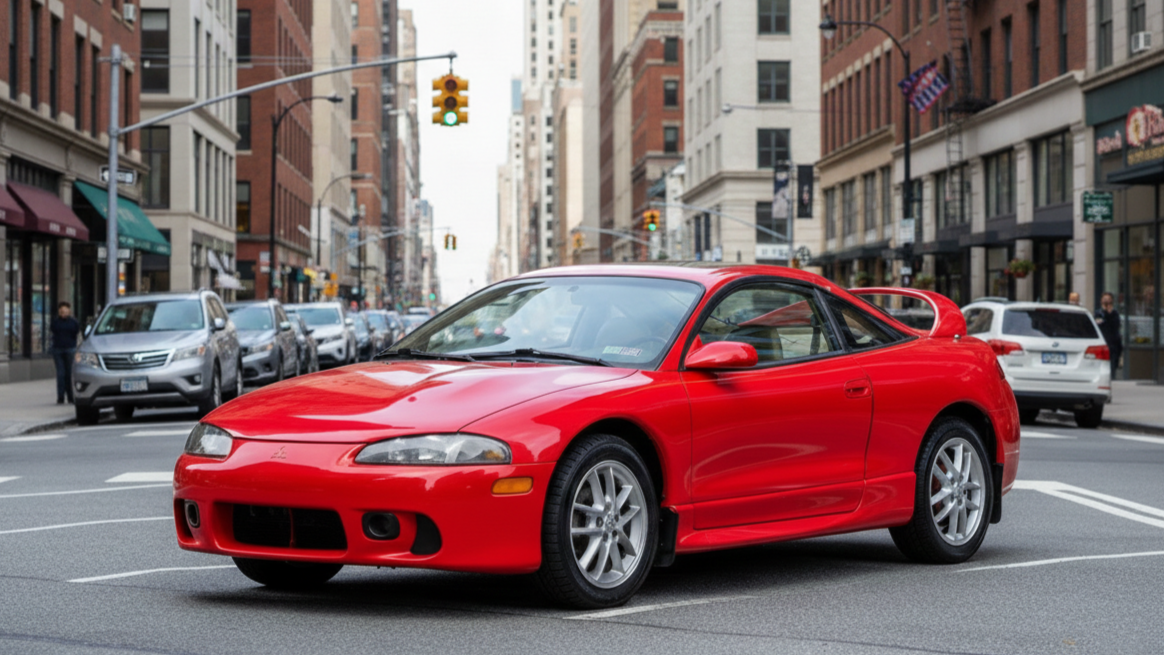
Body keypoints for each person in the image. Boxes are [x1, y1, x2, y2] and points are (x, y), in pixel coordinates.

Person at [50, 301, 82, 404]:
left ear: (69, 311)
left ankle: (70, 396)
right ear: (59, 311)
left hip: (70, 349)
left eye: (65, 311)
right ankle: (60, 397)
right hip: (58, 350)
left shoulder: (73, 322)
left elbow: (76, 333)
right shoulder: (55, 322)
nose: (63, 313)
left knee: (69, 373)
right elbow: (53, 331)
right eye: (61, 311)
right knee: (60, 374)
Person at [1094, 292, 1122, 381]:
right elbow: (1098, 325)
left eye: (1108, 299)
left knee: (1113, 360)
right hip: (1102, 340)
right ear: (1101, 300)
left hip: (1113, 341)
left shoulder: (1115, 313)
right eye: (1104, 299)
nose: (1106, 301)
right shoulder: (1098, 313)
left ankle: (1112, 376)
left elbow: (1115, 326)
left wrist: (1109, 314)